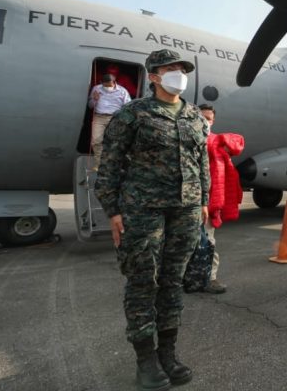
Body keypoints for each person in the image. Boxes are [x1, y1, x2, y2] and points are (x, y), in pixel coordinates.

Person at [95, 49, 210, 391]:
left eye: (182, 69)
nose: (179, 74)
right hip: (143, 210)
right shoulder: (132, 115)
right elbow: (110, 165)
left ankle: (168, 354)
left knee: (174, 281)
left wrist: (203, 200)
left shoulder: (193, 116)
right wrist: (113, 211)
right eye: (171, 69)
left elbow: (201, 161)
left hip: (186, 210)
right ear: (155, 76)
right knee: (143, 282)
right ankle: (145, 360)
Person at [198, 103, 245, 294]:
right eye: (201, 117)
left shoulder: (217, 142)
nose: (205, 121)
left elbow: (236, 143)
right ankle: (186, 278)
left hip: (208, 202)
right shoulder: (186, 141)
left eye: (208, 119)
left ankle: (210, 278)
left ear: (213, 121)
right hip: (186, 201)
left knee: (208, 241)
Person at [88, 72, 131, 170]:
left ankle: (112, 165)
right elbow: (90, 106)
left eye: (110, 85)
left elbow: (128, 107)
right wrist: (94, 100)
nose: (107, 88)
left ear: (114, 82)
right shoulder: (96, 88)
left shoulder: (123, 91)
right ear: (101, 82)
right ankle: (98, 164)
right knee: (96, 140)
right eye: (105, 86)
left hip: (115, 118)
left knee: (115, 142)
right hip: (99, 117)